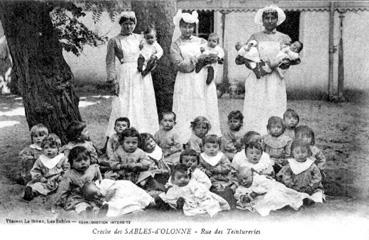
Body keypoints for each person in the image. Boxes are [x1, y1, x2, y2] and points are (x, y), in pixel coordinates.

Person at [236, 5, 293, 135]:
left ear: (277, 20)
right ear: (262, 20)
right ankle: (255, 135)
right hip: (258, 76)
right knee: (256, 105)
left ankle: (275, 135)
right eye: (266, 18)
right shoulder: (255, 37)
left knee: (274, 103)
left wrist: (283, 63)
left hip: (275, 76)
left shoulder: (284, 38)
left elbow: (287, 57)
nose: (269, 21)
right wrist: (255, 66)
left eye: (273, 18)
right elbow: (246, 56)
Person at [105, 11, 159, 138]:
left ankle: (145, 135)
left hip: (141, 74)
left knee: (142, 101)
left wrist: (152, 60)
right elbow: (110, 62)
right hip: (125, 74)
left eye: (131, 24)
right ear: (121, 24)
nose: (129, 27)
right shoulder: (114, 41)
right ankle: (123, 134)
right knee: (125, 102)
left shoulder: (141, 38)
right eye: (125, 24)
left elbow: (154, 48)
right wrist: (112, 80)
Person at [171, 10, 221, 144]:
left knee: (202, 103)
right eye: (185, 26)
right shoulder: (176, 44)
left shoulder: (202, 41)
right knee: (186, 106)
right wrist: (194, 59)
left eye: (190, 27)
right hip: (186, 79)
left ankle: (206, 138)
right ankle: (185, 139)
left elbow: (213, 53)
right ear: (180, 27)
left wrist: (211, 59)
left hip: (200, 79)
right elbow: (180, 64)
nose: (188, 30)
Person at [158, 164, 230, 217]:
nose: (183, 179)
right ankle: (203, 215)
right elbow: (171, 197)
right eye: (179, 178)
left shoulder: (192, 183)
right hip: (188, 202)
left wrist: (198, 195)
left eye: (186, 177)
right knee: (191, 209)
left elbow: (201, 189)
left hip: (198, 198)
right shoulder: (174, 188)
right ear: (173, 180)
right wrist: (174, 202)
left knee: (209, 204)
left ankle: (215, 214)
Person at [52, 146, 103, 217]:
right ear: (71, 163)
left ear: (90, 159)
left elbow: (96, 168)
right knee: (81, 207)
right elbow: (62, 190)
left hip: (91, 196)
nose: (83, 162)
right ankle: (87, 214)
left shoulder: (91, 169)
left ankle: (98, 212)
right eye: (78, 160)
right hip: (77, 197)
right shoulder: (69, 175)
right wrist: (58, 202)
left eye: (86, 159)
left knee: (96, 204)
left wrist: (100, 178)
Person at [23, 134, 69, 201]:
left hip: (58, 180)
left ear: (58, 149)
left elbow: (67, 169)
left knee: (64, 186)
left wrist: (62, 176)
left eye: (52, 147)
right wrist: (40, 178)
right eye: (46, 148)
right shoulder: (41, 160)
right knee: (38, 186)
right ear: (42, 149)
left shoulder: (61, 158)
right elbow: (35, 170)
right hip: (45, 181)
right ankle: (31, 192)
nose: (49, 150)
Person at [199, 134, 236, 208]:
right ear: (203, 147)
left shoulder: (221, 156)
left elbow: (227, 167)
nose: (212, 149)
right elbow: (198, 167)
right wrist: (205, 171)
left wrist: (216, 169)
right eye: (208, 147)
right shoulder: (201, 157)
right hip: (207, 178)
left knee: (224, 188)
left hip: (221, 177)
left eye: (215, 147)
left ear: (219, 147)